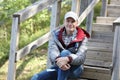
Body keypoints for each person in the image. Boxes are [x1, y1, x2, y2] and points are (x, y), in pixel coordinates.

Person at [31, 11, 90, 80]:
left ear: (77, 23)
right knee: (36, 78)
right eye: (68, 21)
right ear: (64, 22)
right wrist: (61, 63)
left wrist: (68, 59)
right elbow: (53, 52)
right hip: (58, 67)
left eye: (72, 21)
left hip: (75, 69)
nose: (70, 24)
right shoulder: (55, 35)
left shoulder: (82, 37)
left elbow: (81, 57)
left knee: (64, 53)